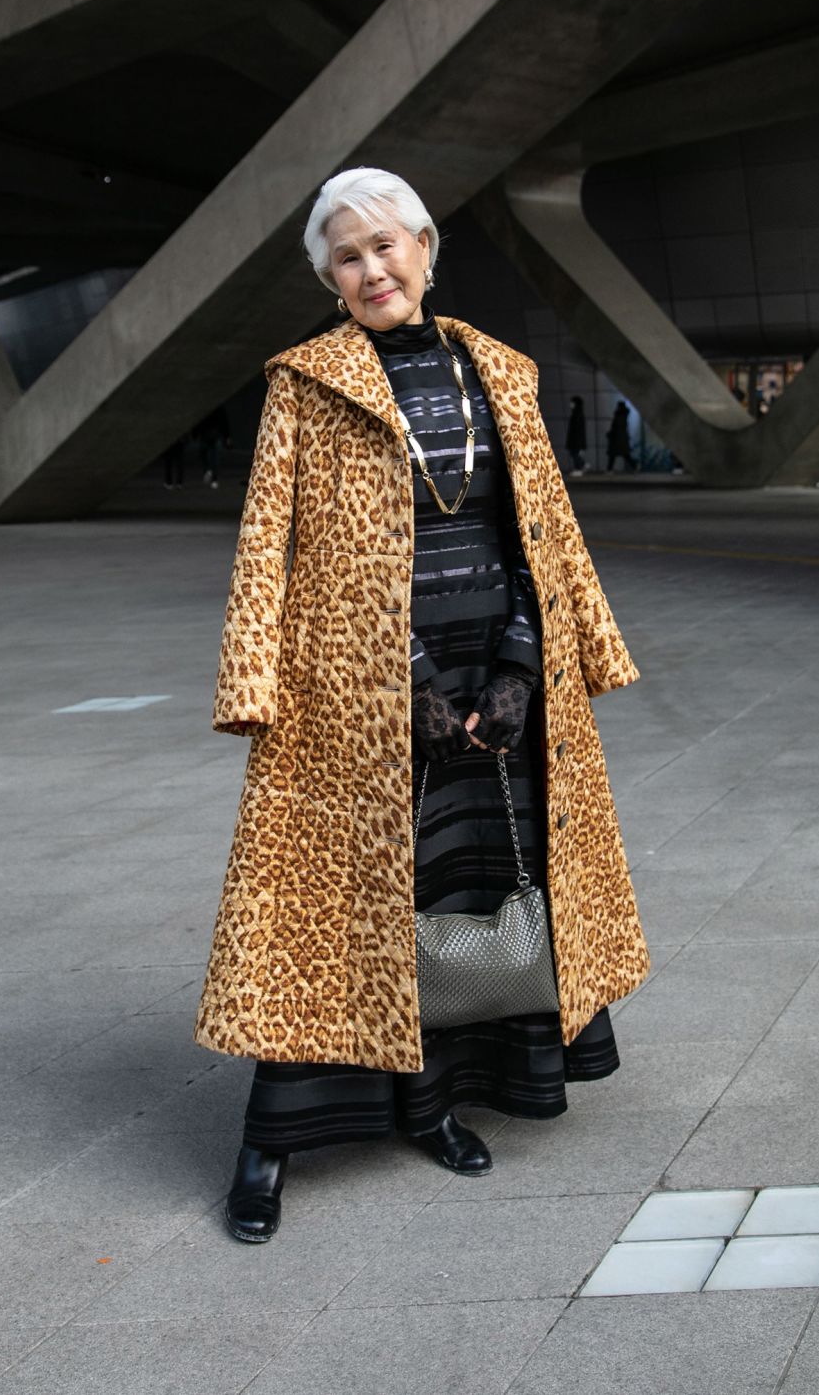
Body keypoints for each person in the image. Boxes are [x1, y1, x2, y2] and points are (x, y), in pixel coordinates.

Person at [195, 167, 649, 1244]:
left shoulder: (499, 370)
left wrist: (521, 663)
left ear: (426, 249)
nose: (372, 268)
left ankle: (435, 1101)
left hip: (490, 657)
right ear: (327, 276)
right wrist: (269, 681)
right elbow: (267, 542)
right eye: (346, 256)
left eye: (386, 245)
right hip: (353, 689)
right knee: (327, 905)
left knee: (459, 890)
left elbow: (540, 525)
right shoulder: (304, 384)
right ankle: (271, 1143)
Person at [195, 404, 232, 488]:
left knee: (209, 456)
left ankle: (210, 473)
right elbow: (224, 421)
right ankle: (212, 476)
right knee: (211, 456)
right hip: (213, 434)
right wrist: (227, 436)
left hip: (208, 434)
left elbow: (224, 421)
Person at [606, 401, 636, 472]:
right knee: (625, 454)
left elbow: (615, 427)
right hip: (621, 438)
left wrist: (610, 434)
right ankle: (635, 466)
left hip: (617, 439)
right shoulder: (624, 416)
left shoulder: (619, 416)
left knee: (613, 454)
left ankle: (609, 469)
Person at [565, 395, 587, 476]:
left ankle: (579, 468)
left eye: (572, 402)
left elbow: (577, 429)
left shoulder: (577, 414)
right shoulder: (578, 413)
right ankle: (582, 465)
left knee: (574, 453)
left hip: (576, 439)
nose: (571, 404)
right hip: (576, 439)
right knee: (574, 453)